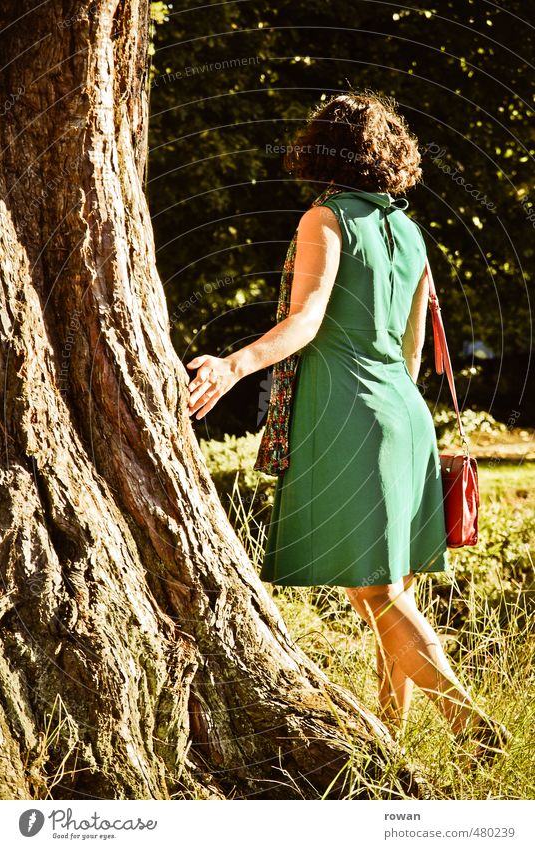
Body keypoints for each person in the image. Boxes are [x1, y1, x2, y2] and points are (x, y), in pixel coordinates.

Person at [186, 90, 510, 763]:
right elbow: (414, 352)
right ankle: (389, 743)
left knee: (377, 593)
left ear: (321, 149)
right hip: (405, 413)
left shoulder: (326, 219)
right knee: (389, 598)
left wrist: (233, 365)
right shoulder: (412, 233)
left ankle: (470, 726)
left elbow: (306, 322)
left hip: (354, 413)